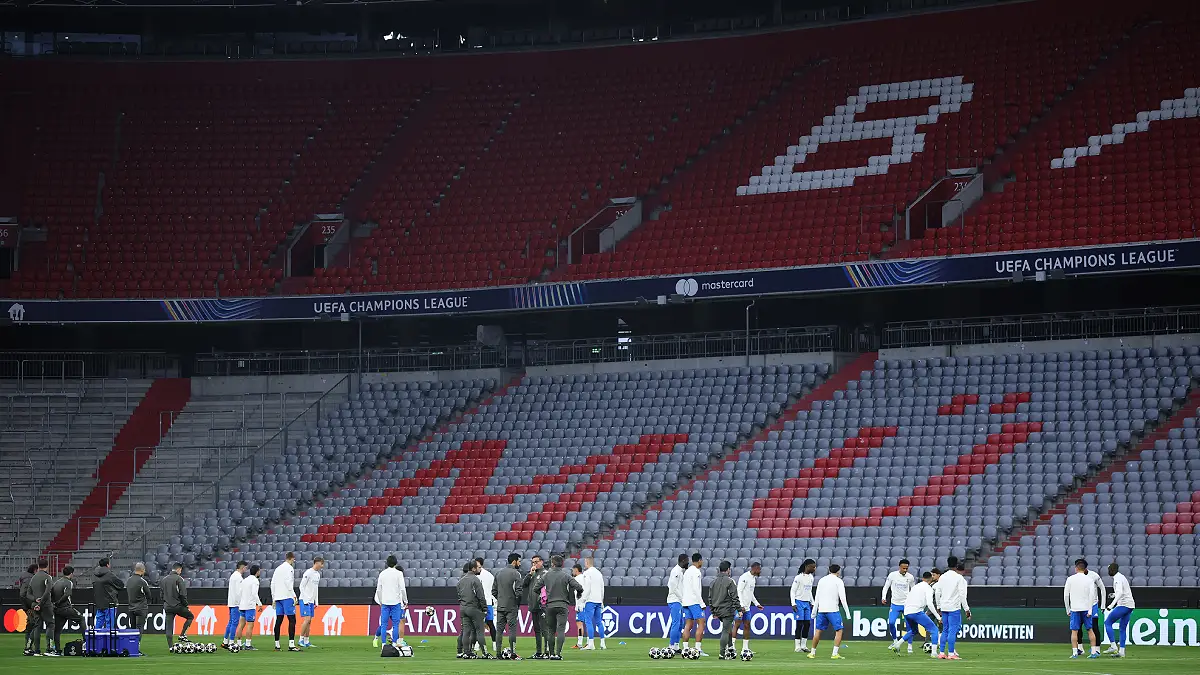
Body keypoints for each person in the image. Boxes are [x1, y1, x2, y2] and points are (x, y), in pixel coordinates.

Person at [531, 554, 583, 661]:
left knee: (550, 630)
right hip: (562, 605)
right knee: (560, 630)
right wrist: (578, 594)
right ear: (562, 564)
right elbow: (579, 587)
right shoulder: (566, 575)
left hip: (549, 606)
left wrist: (543, 594)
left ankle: (551, 654)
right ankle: (558, 654)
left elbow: (536, 588)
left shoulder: (546, 575)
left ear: (552, 564)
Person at [890, 571, 941, 657]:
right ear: (931, 579)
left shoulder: (915, 587)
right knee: (934, 630)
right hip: (916, 611)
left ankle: (897, 644)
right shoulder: (928, 588)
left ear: (922, 578)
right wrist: (938, 617)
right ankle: (934, 653)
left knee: (914, 631)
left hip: (907, 611)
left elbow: (907, 600)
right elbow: (930, 604)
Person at [808, 564, 851, 660]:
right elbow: (843, 598)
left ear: (829, 570)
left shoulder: (822, 580)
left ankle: (812, 653)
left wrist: (814, 612)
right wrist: (847, 613)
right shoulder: (838, 581)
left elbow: (817, 597)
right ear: (838, 571)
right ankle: (834, 653)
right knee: (839, 630)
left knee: (818, 631)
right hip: (833, 610)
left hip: (822, 610)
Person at [935, 556, 970, 659]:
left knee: (945, 630)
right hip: (954, 607)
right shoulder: (959, 578)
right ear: (956, 564)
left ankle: (941, 653)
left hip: (944, 607)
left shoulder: (942, 577)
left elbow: (937, 592)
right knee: (952, 630)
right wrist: (967, 609)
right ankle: (951, 653)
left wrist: (938, 606)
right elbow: (962, 595)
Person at [1065, 559, 1100, 659]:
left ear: (1076, 568)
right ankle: (1094, 652)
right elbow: (1092, 596)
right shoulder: (1089, 580)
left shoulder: (1070, 579)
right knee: (1090, 630)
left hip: (1075, 608)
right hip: (1086, 608)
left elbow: (1066, 596)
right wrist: (1090, 610)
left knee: (1074, 631)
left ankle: (1075, 653)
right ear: (1085, 569)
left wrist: (1068, 609)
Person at [493, 553, 524, 657]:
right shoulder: (516, 574)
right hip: (511, 606)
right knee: (512, 630)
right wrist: (515, 602)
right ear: (514, 561)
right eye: (519, 561)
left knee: (499, 630)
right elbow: (519, 592)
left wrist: (501, 599)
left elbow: (494, 591)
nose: (520, 563)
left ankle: (498, 653)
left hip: (500, 606)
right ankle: (513, 652)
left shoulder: (498, 573)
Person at [457, 560, 489, 658]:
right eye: (479, 567)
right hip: (474, 608)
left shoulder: (461, 580)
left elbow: (459, 595)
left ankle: (466, 652)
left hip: (463, 608)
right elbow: (481, 596)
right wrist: (484, 609)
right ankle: (484, 653)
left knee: (466, 631)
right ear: (473, 568)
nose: (480, 569)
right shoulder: (475, 580)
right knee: (480, 631)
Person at [374, 555, 408, 649]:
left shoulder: (382, 574)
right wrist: (405, 600)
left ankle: (383, 644)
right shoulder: (398, 574)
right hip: (396, 603)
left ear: (387, 563)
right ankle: (394, 643)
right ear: (396, 563)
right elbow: (402, 589)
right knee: (396, 624)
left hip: (385, 602)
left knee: (384, 624)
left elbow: (378, 590)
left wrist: (381, 601)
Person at [709, 561, 741, 658]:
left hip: (717, 610)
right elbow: (734, 597)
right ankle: (722, 653)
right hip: (727, 610)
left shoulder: (713, 582)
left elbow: (710, 598)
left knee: (727, 628)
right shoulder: (730, 581)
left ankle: (730, 647)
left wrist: (713, 611)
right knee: (726, 630)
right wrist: (739, 610)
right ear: (728, 570)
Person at [1104, 562, 1135, 658]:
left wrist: (1111, 605)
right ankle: (1122, 651)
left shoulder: (1117, 579)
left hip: (1124, 605)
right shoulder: (1121, 577)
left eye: (1109, 569)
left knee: (1108, 622)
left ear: (1112, 570)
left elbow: (1120, 592)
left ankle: (1113, 646)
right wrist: (1113, 594)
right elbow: (1121, 591)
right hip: (1130, 605)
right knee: (1122, 628)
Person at [270, 552, 299, 652]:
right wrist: (294, 595)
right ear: (292, 559)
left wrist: (273, 598)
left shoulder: (278, 569)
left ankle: (277, 645)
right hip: (287, 596)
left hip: (278, 598)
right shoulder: (289, 568)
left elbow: (272, 583)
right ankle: (291, 644)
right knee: (292, 620)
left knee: (279, 620)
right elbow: (288, 582)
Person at [680, 552, 707, 655]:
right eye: (702, 560)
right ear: (699, 560)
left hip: (686, 601)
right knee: (701, 623)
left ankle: (685, 648)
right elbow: (696, 588)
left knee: (688, 625)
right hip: (694, 601)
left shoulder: (686, 572)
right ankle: (698, 649)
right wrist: (702, 603)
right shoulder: (696, 572)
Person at [51, 566, 84, 654]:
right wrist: (58, 602)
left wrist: (54, 604)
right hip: (65, 608)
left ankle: (57, 650)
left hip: (57, 610)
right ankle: (86, 643)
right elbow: (67, 594)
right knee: (81, 618)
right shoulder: (68, 582)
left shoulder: (56, 582)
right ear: (71, 573)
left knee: (57, 630)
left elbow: (51, 594)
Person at [1077, 558, 1106, 657]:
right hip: (1080, 605)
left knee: (1094, 626)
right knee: (1078, 627)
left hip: (1092, 605)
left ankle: (1097, 649)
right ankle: (1080, 648)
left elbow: (1102, 589)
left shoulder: (1094, 576)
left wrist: (1102, 605)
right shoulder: (1076, 577)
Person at [881, 558, 915, 644]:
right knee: (891, 622)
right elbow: (886, 587)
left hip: (906, 604)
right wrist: (883, 597)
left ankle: (909, 646)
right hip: (895, 604)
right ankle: (895, 641)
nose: (905, 570)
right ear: (899, 567)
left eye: (906, 568)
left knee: (909, 626)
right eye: (903, 568)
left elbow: (913, 590)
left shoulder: (910, 577)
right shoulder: (892, 575)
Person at [162, 562, 194, 650]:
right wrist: (186, 605)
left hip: (167, 606)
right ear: (178, 569)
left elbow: (161, 594)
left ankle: (170, 647)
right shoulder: (179, 579)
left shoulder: (164, 580)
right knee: (190, 616)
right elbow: (183, 594)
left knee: (169, 627)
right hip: (177, 606)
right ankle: (182, 635)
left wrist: (166, 602)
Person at [522, 554, 548, 658]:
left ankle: (547, 651)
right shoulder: (532, 574)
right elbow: (524, 585)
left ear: (541, 562)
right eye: (533, 562)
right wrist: (529, 574)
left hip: (542, 606)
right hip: (533, 605)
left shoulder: (545, 574)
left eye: (536, 562)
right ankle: (538, 652)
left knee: (544, 629)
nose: (534, 564)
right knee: (537, 630)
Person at [29, 558, 56, 656]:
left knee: (37, 626)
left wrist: (36, 600)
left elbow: (28, 594)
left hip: (35, 605)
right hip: (45, 605)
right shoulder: (48, 577)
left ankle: (35, 650)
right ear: (47, 566)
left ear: (38, 566)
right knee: (50, 625)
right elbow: (47, 592)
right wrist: (40, 604)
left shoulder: (33, 578)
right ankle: (49, 649)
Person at [735, 561, 764, 654]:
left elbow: (751, 594)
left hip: (747, 608)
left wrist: (756, 604)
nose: (760, 571)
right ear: (755, 568)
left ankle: (745, 648)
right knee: (737, 625)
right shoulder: (744, 577)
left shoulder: (753, 579)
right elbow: (739, 591)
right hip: (740, 607)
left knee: (747, 626)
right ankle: (732, 647)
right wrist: (741, 605)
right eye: (759, 569)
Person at [92, 558, 125, 634]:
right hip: (110, 603)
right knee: (109, 627)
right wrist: (115, 590)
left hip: (99, 603)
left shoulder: (94, 574)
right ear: (107, 565)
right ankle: (108, 644)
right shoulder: (109, 574)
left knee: (98, 626)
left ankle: (96, 644)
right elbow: (121, 584)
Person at [791, 558, 816, 653]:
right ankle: (797, 647)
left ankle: (804, 645)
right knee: (799, 624)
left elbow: (809, 591)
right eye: (812, 567)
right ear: (807, 566)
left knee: (807, 624)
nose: (814, 569)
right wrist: (793, 603)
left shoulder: (811, 578)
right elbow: (792, 591)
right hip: (799, 602)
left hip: (806, 603)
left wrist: (812, 602)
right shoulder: (798, 578)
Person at [298, 557, 324, 648]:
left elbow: (316, 589)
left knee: (309, 621)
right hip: (305, 600)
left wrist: (316, 601)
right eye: (321, 563)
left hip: (311, 601)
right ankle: (300, 639)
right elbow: (301, 586)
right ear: (317, 563)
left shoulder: (317, 574)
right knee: (307, 619)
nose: (322, 565)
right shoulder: (308, 572)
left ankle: (306, 641)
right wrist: (305, 599)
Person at [580, 557, 606, 650]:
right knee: (599, 621)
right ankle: (603, 643)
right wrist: (602, 600)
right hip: (598, 600)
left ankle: (591, 644)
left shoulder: (587, 573)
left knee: (588, 621)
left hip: (590, 600)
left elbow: (587, 587)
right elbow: (602, 588)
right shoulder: (599, 573)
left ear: (586, 562)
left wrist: (583, 599)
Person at [236, 564, 263, 650]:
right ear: (257, 571)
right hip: (250, 606)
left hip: (242, 605)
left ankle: (239, 644)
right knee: (250, 625)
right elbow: (254, 593)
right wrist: (259, 604)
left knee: (241, 625)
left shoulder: (244, 580)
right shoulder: (255, 581)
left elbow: (239, 593)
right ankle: (248, 644)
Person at [665, 553, 688, 653]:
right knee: (676, 623)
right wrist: (682, 598)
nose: (688, 563)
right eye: (687, 560)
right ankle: (671, 645)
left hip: (679, 601)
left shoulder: (680, 571)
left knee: (680, 624)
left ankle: (676, 645)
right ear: (683, 561)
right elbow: (672, 587)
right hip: (675, 600)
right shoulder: (676, 571)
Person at [475, 557, 498, 650]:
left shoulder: (476, 575)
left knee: (479, 624)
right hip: (488, 603)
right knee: (490, 623)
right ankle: (495, 644)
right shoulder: (490, 575)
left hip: (480, 603)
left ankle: (477, 644)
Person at [223, 561, 247, 649]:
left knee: (230, 622)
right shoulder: (238, 578)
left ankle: (225, 641)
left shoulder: (233, 575)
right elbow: (239, 592)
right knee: (235, 623)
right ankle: (231, 642)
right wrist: (241, 603)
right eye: (245, 567)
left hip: (231, 602)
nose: (246, 569)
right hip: (236, 603)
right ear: (242, 567)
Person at [126, 563, 152, 634]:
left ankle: (132, 644)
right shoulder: (142, 581)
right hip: (141, 608)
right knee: (140, 627)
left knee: (132, 628)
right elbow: (149, 595)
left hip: (131, 608)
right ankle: (138, 643)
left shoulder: (128, 580)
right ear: (142, 570)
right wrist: (147, 603)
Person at [20, 563, 37, 655]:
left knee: (30, 626)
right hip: (30, 606)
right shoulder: (29, 580)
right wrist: (27, 606)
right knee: (33, 625)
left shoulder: (24, 577)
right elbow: (22, 594)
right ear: (35, 570)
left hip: (28, 605)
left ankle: (28, 646)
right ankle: (28, 647)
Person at [571, 563, 587, 649]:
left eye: (573, 570)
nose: (572, 572)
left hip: (581, 604)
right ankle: (588, 642)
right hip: (586, 603)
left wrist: (578, 605)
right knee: (586, 623)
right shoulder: (585, 577)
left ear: (576, 570)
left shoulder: (577, 579)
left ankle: (580, 643)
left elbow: (580, 592)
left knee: (579, 623)